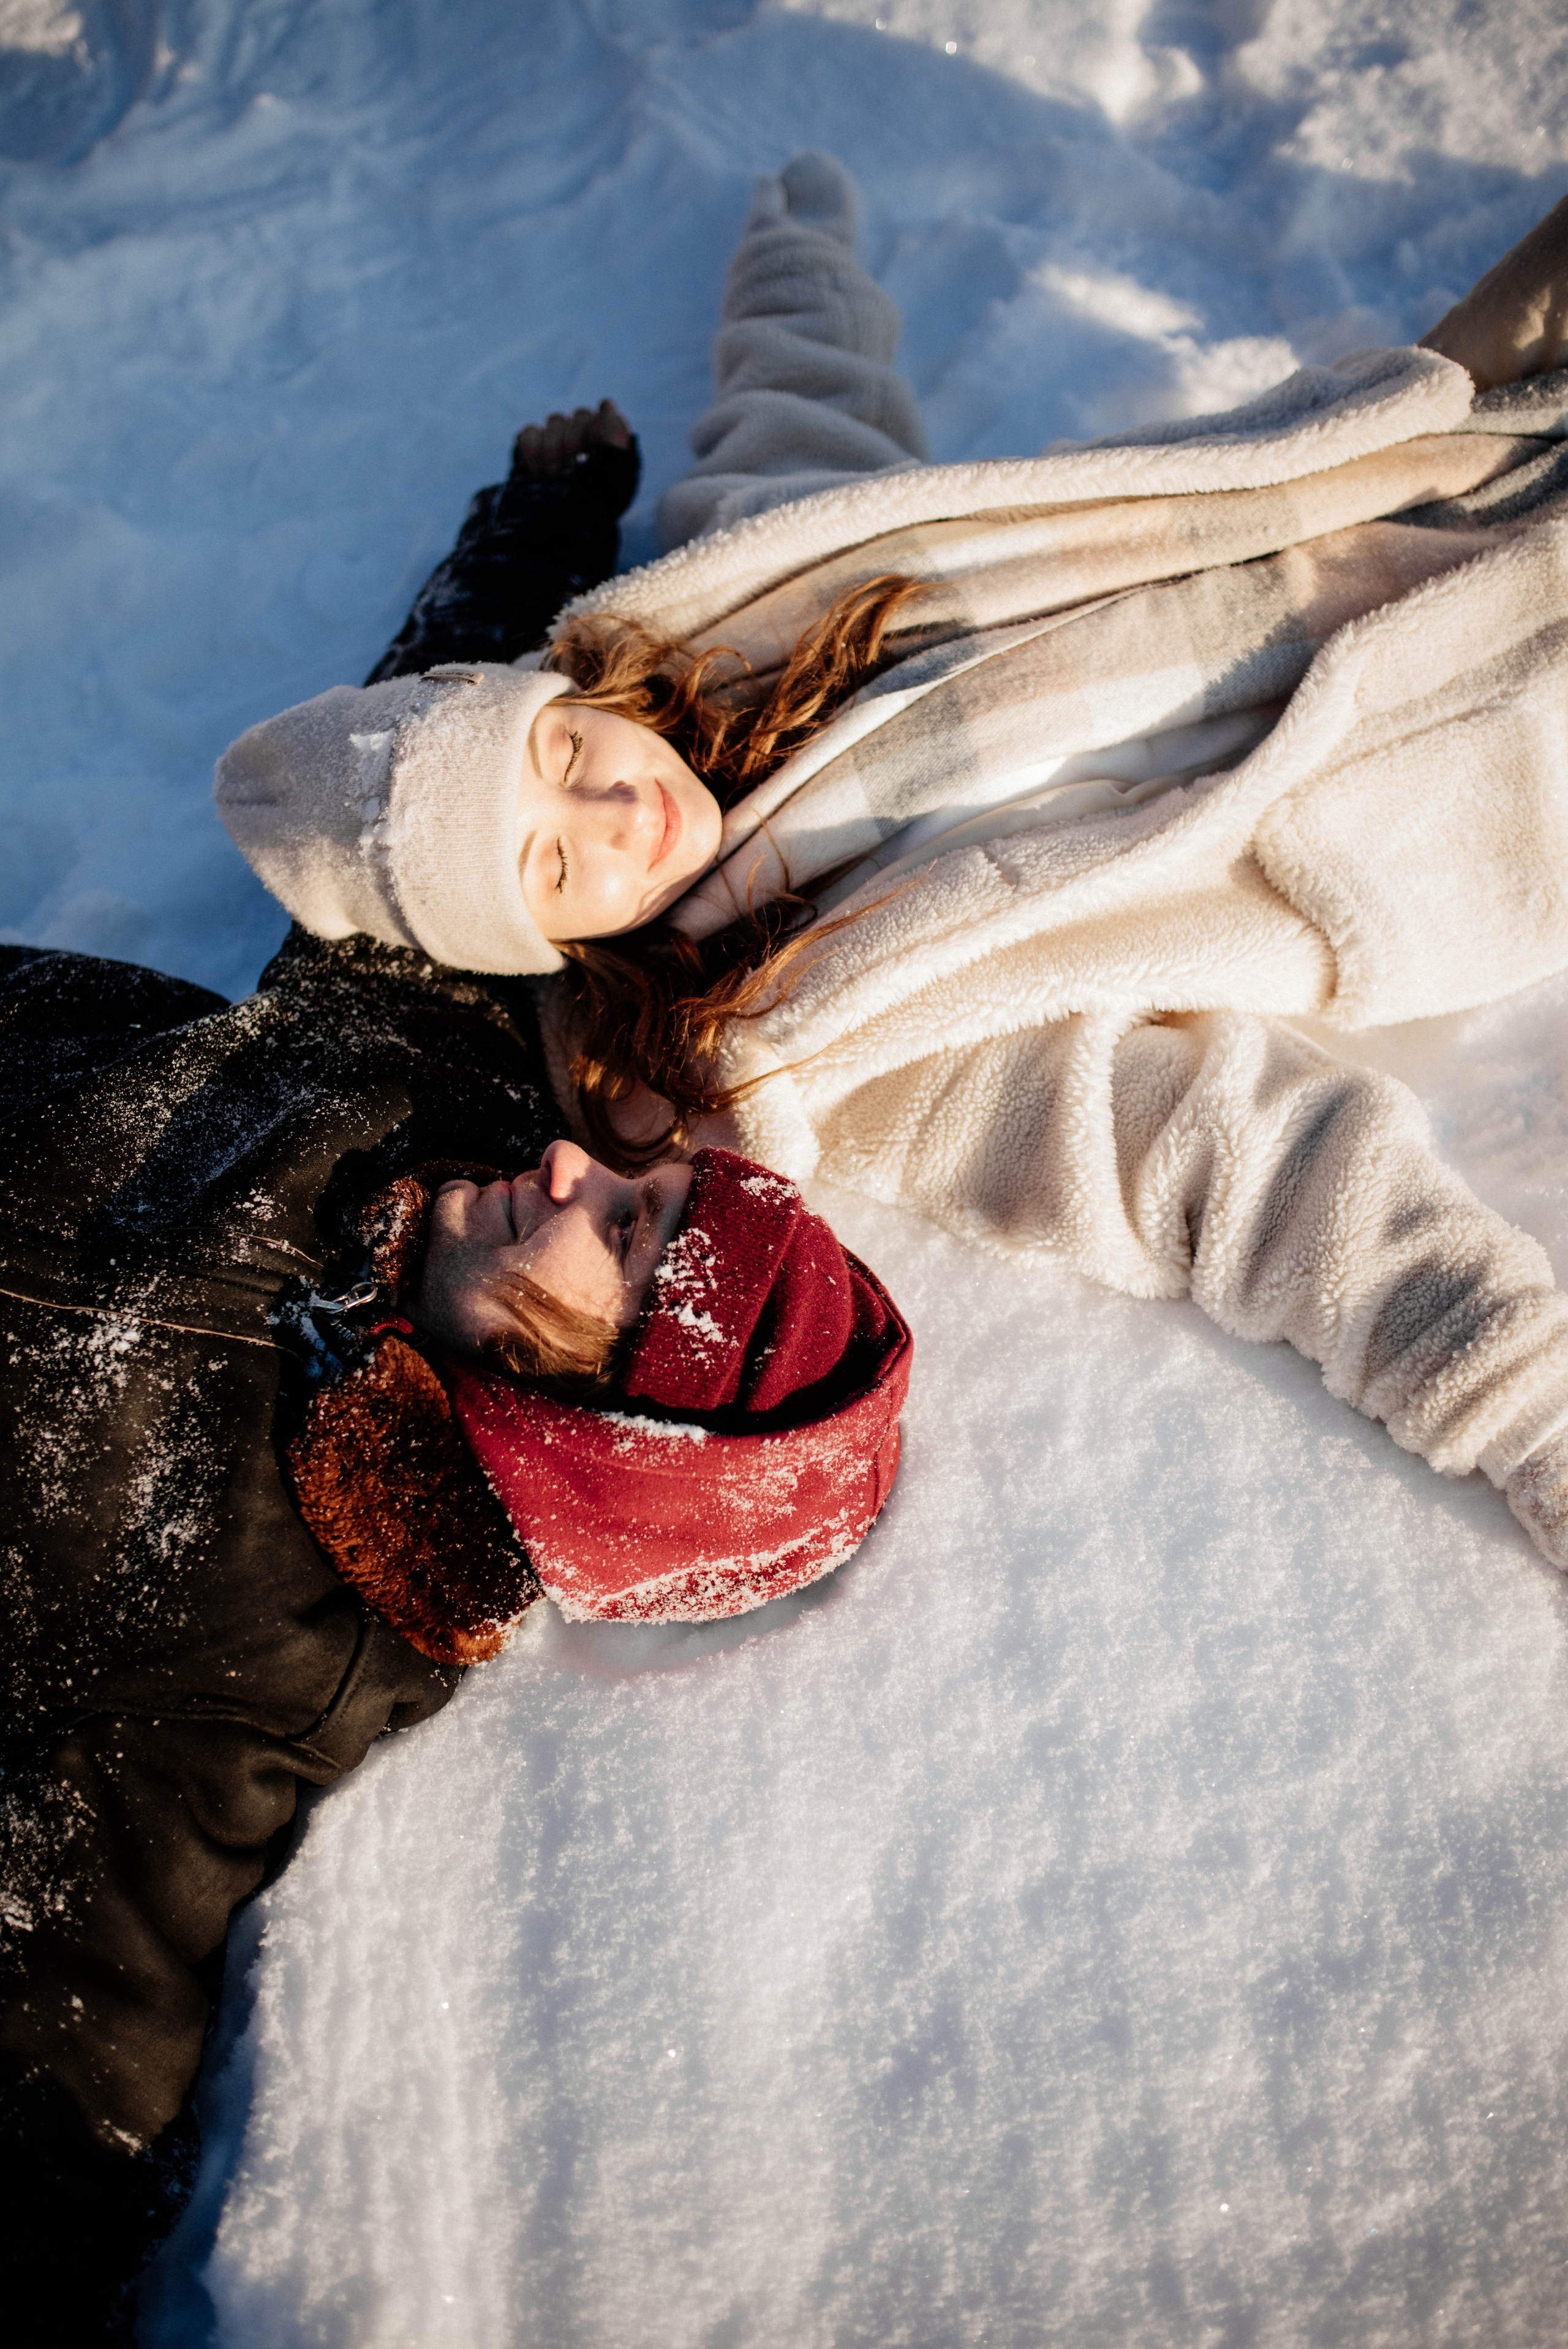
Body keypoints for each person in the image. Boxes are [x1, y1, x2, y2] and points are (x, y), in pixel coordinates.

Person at [213, 156, 1568, 1582]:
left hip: (1390, 489)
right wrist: (1528, 1423)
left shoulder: (743, 607)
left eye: (560, 750)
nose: (614, 807)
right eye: (554, 864)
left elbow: (797, 393)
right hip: (1474, 733)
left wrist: (796, 240)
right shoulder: (820, 1051)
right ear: (548, 945)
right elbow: (1247, 1170)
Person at [0, 418, 912, 2336]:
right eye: (646, 1187)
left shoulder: (279, 1639)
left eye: (622, 1237)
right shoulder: (440, 1097)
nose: (578, 1168)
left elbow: (71, 2052)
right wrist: (545, 516)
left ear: (600, 1426)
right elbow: (436, 781)